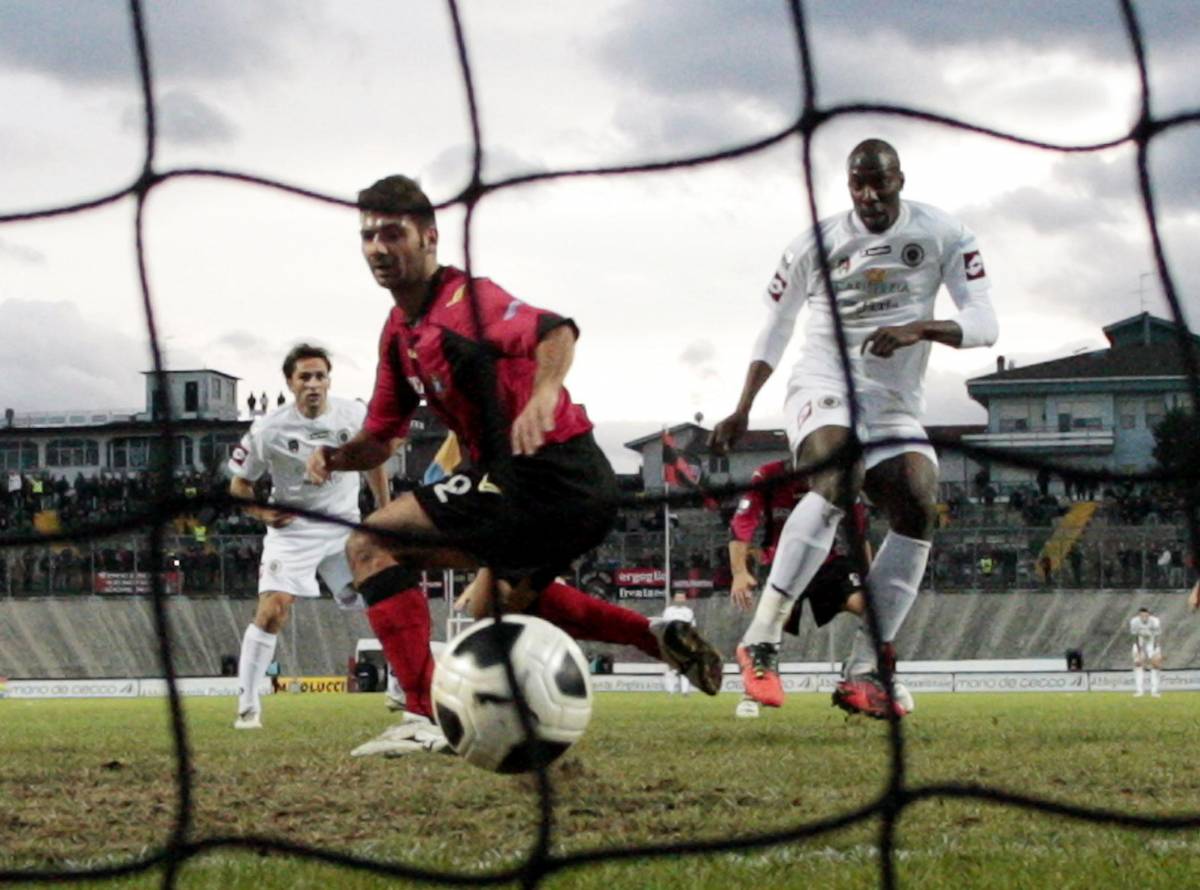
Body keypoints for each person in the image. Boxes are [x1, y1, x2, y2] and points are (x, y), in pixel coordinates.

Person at [307, 174, 723, 756]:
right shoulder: (398, 336)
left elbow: (556, 330)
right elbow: (381, 436)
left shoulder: (465, 303)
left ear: (429, 237)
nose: (378, 248)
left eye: (392, 233)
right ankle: (657, 637)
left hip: (545, 471)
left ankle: (426, 717)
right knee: (487, 607)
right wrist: (334, 456)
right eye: (368, 236)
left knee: (369, 546)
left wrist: (545, 393)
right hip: (562, 490)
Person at [710, 139, 998, 719]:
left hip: (893, 402)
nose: (868, 195)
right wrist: (743, 405)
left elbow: (985, 325)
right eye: (857, 184)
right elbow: (776, 327)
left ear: (900, 179)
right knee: (840, 473)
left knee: (918, 502)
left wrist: (921, 329)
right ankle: (760, 639)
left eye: (879, 182)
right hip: (822, 383)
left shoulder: (946, 234)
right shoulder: (814, 244)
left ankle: (868, 669)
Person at [228, 343, 390, 729]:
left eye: (320, 376)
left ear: (329, 380)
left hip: (344, 527)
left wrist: (383, 511)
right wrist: (261, 512)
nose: (314, 384)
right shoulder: (268, 429)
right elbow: (238, 485)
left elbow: (375, 462)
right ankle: (248, 705)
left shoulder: (353, 414)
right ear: (290, 382)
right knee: (272, 612)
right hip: (293, 532)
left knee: (384, 599)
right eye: (305, 377)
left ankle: (403, 690)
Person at [727, 457, 873, 718]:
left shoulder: (838, 476)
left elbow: (860, 534)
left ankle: (860, 675)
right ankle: (751, 691)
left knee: (873, 611)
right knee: (771, 624)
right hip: (786, 562)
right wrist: (739, 572)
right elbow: (742, 523)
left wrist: (869, 576)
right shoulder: (768, 475)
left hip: (828, 563)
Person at [660, 592, 697, 695]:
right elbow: (664, 626)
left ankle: (685, 691)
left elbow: (692, 627)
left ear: (685, 600)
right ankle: (670, 691)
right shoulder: (668, 611)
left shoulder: (688, 612)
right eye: (678, 597)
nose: (680, 599)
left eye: (682, 598)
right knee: (671, 666)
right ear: (674, 599)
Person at [1129, 606, 1163, 697]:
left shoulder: (1155, 621)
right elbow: (1135, 637)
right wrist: (1140, 652)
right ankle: (1139, 691)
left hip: (1152, 642)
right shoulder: (1134, 621)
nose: (1144, 618)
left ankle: (1154, 691)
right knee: (1138, 664)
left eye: (1146, 615)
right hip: (1140, 642)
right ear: (1139, 615)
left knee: (1155, 666)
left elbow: (1157, 637)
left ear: (1149, 615)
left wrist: (1154, 653)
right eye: (1142, 616)